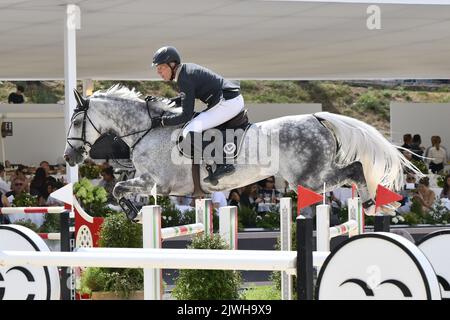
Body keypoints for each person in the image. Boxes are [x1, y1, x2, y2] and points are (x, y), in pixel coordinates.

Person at [150, 46, 243, 183]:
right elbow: (184, 98)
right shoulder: (185, 72)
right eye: (157, 69)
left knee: (189, 130)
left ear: (172, 64)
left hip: (227, 102)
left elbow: (185, 115)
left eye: (161, 68)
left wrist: (162, 122)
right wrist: (165, 101)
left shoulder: (184, 78)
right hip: (229, 99)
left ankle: (223, 164)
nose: (158, 72)